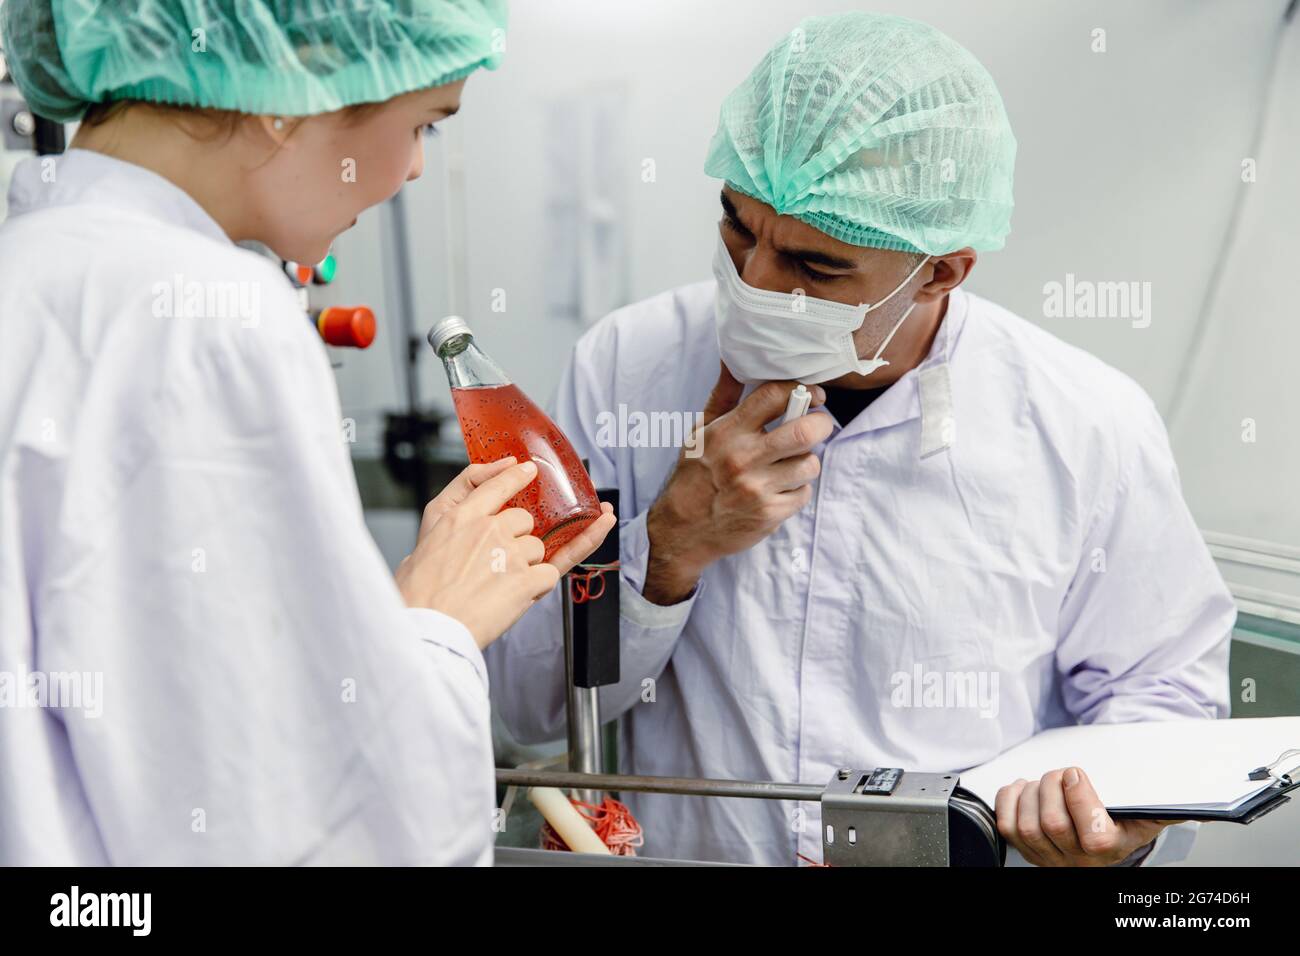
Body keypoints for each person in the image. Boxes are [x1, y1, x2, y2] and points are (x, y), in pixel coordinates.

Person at [488, 12, 1234, 866]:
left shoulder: (1084, 425)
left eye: (815, 267)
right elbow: (529, 704)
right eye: (738, 226)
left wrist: (1111, 824)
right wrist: (668, 551)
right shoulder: (627, 369)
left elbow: (1159, 692)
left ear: (942, 270)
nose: (754, 280)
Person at [0, 0, 614, 864]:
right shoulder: (210, 314)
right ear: (301, 81)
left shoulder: (32, 274)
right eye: (426, 124)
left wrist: (373, 630)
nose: (410, 173)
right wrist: (435, 629)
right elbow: (317, 826)